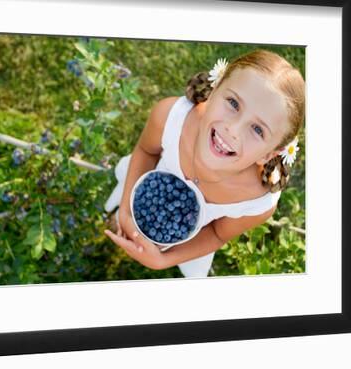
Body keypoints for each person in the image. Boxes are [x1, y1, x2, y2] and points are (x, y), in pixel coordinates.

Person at [103, 49, 305, 277]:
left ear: (269, 154)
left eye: (258, 129)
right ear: (215, 90)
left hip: (190, 240)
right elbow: (145, 151)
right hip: (144, 191)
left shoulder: (257, 201)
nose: (233, 130)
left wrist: (163, 259)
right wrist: (127, 212)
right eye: (233, 103)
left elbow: (218, 234)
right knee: (121, 213)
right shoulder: (170, 118)